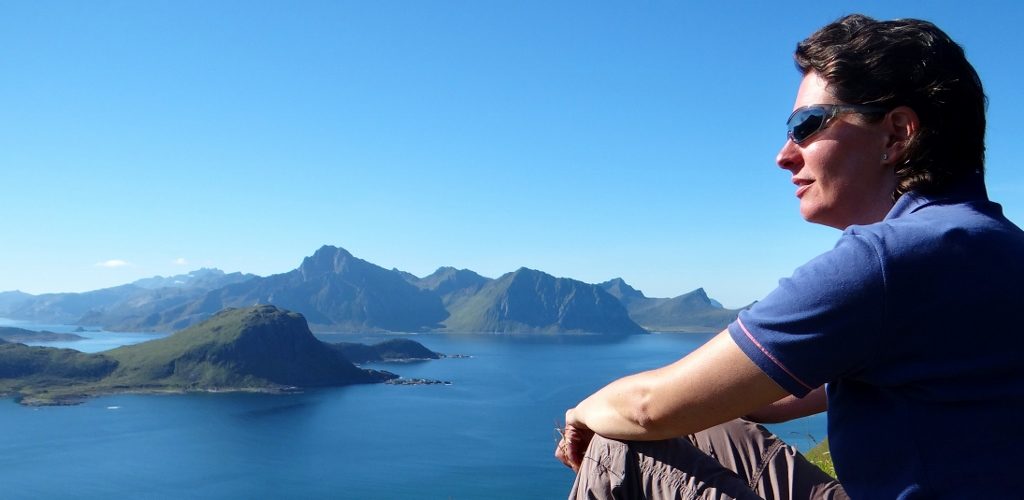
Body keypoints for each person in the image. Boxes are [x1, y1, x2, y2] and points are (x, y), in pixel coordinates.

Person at [555, 14, 1024, 499]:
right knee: (712, 427)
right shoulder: (999, 247)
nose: (784, 154)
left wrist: (582, 412)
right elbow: (778, 398)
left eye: (806, 125)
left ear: (896, 135)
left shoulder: (885, 261)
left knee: (617, 444)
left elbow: (648, 408)